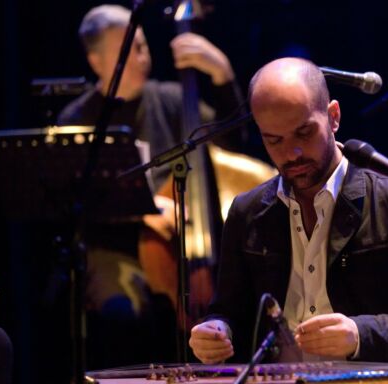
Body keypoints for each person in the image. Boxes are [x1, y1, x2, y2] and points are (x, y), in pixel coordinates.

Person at [189, 57, 388, 364]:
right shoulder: (246, 212)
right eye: (274, 140)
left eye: (304, 133)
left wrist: (359, 335)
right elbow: (230, 313)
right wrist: (217, 331)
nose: (291, 153)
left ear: (333, 117)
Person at [56, 4, 248, 368]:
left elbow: (233, 139)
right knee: (123, 313)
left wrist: (222, 74)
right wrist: (147, 210)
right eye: (132, 50)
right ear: (97, 62)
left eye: (144, 46)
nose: (145, 57)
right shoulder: (78, 120)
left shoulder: (171, 99)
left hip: (184, 249)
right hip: (117, 251)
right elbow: (77, 204)